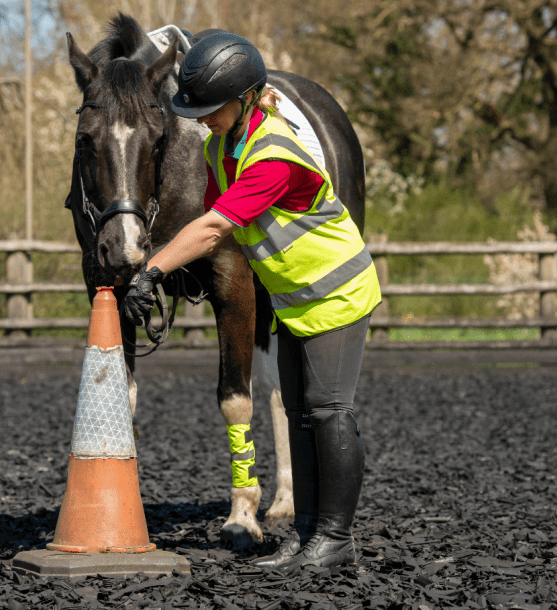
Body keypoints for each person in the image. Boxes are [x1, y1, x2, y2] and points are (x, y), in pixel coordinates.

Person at [124, 32, 381, 572]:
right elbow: (211, 224)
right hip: (292, 298)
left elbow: (217, 225)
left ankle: (335, 539)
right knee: (301, 417)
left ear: (245, 101)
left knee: (329, 412)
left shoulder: (274, 156)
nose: (202, 121)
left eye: (211, 110)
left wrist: (153, 268)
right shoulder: (221, 148)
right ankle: (307, 535)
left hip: (334, 290)